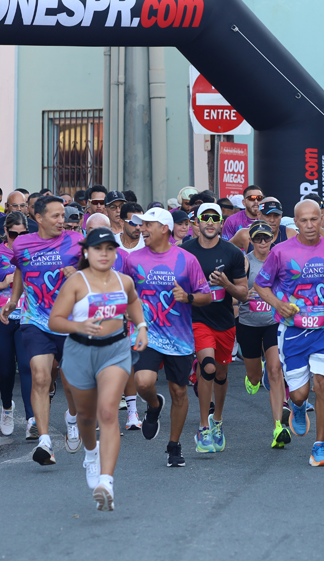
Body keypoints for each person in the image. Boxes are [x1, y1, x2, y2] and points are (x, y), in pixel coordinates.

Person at [48, 227, 148, 511]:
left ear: (115, 253)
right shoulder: (77, 283)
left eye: (109, 248)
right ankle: (91, 453)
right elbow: (55, 320)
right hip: (79, 351)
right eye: (98, 248)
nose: (104, 254)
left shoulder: (124, 280)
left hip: (115, 350)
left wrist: (141, 327)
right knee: (86, 416)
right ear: (86, 253)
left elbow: (133, 302)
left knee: (107, 411)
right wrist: (77, 325)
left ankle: (107, 480)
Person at [254, 200, 324, 467]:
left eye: (314, 219)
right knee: (299, 394)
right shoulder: (281, 252)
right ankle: (297, 406)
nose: (310, 225)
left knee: (323, 385)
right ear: (295, 223)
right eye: (304, 221)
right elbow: (261, 284)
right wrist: (278, 304)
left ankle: (319, 446)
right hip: (294, 332)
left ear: (322, 218)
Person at [0, 196, 84, 466]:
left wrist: (79, 271)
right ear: (39, 218)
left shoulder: (76, 240)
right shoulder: (23, 243)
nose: (63, 221)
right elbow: (20, 271)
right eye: (56, 216)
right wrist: (14, 300)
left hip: (69, 320)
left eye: (63, 216)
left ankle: (72, 417)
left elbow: (98, 267)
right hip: (35, 319)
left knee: (70, 380)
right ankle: (45, 441)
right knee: (40, 377)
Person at [124, 207, 212, 467]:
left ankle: (173, 446)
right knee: (143, 382)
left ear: (165, 228)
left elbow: (206, 295)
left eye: (148, 225)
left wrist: (189, 298)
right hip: (147, 333)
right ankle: (153, 406)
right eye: (141, 225)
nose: (143, 229)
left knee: (179, 392)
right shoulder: (133, 259)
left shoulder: (187, 260)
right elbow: (124, 291)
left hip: (180, 337)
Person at [181, 203, 247, 454]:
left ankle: (217, 420)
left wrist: (226, 283)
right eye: (204, 218)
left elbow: (243, 295)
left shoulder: (232, 253)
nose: (209, 222)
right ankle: (203, 426)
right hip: (197, 320)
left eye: (214, 218)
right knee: (206, 367)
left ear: (221, 222)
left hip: (224, 322)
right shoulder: (185, 252)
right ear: (196, 222)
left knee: (220, 373)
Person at [0, 212, 34, 437]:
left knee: (26, 367)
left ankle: (32, 419)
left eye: (23, 234)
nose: (18, 238)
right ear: (6, 233)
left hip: (26, 318)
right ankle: (6, 407)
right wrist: (3, 283)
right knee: (5, 371)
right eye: (13, 234)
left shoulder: (35, 253)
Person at [238, 222, 290, 448]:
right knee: (255, 378)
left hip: (272, 323)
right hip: (248, 324)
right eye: (257, 239)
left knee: (276, 370)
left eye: (266, 238)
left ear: (272, 239)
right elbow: (233, 294)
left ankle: (279, 426)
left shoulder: (280, 259)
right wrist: (243, 295)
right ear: (251, 240)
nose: (262, 243)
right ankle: (254, 374)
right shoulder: (245, 262)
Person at [0, 191, 37, 265]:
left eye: (22, 206)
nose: (19, 209)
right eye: (15, 206)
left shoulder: (35, 227)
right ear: (6, 206)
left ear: (27, 207)